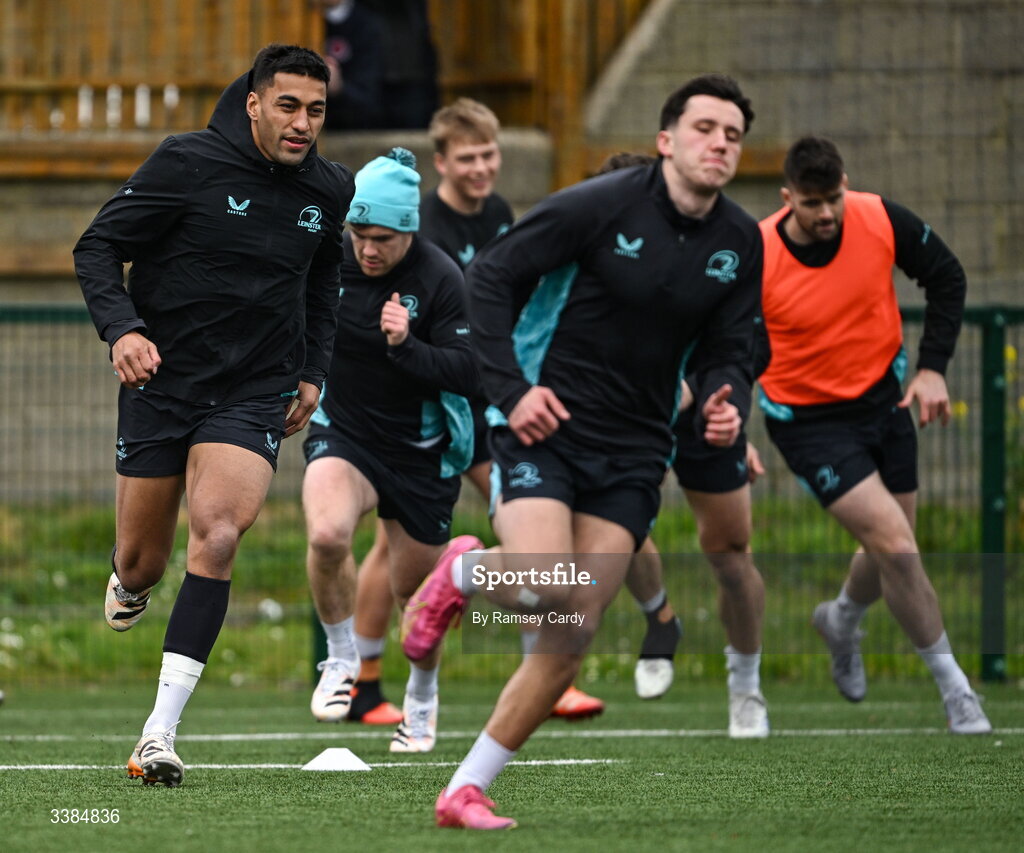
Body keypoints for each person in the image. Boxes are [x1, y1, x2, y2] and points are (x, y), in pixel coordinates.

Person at [402, 73, 763, 829]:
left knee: (571, 632)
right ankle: (461, 569)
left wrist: (727, 396)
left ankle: (462, 789)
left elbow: (733, 345)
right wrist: (509, 389)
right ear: (667, 140)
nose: (719, 144)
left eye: (732, 134)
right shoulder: (602, 204)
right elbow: (491, 276)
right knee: (544, 582)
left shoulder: (738, 241)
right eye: (705, 128)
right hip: (547, 427)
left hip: (636, 452)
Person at [74, 44, 354, 787]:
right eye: (288, 106)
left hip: (255, 389)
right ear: (255, 103)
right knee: (143, 561)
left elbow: (327, 277)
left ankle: (158, 733)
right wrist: (123, 329)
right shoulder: (186, 162)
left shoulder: (330, 189)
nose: (302, 123)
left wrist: (311, 372)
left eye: (317, 110)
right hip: (164, 382)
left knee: (221, 532)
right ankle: (127, 580)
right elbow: (98, 245)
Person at [757, 136, 991, 734]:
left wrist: (933, 366)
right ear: (788, 199)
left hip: (883, 405)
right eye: (812, 203)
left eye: (833, 197)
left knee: (892, 540)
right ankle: (958, 693)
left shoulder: (879, 216)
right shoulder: (756, 251)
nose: (827, 213)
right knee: (895, 544)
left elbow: (946, 276)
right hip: (807, 422)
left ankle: (840, 619)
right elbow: (725, 337)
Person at [302, 148, 479, 753]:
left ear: (409, 231)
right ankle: (341, 662)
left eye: (382, 238)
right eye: (357, 233)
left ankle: (421, 701)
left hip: (420, 451)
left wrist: (406, 346)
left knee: (417, 606)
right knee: (327, 535)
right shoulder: (332, 258)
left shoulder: (440, 277)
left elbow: (467, 371)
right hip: (344, 430)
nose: (367, 249)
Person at [318, 0, 384, 130]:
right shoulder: (294, 18)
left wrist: (339, 87)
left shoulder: (366, 25)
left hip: (349, 127)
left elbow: (369, 97)